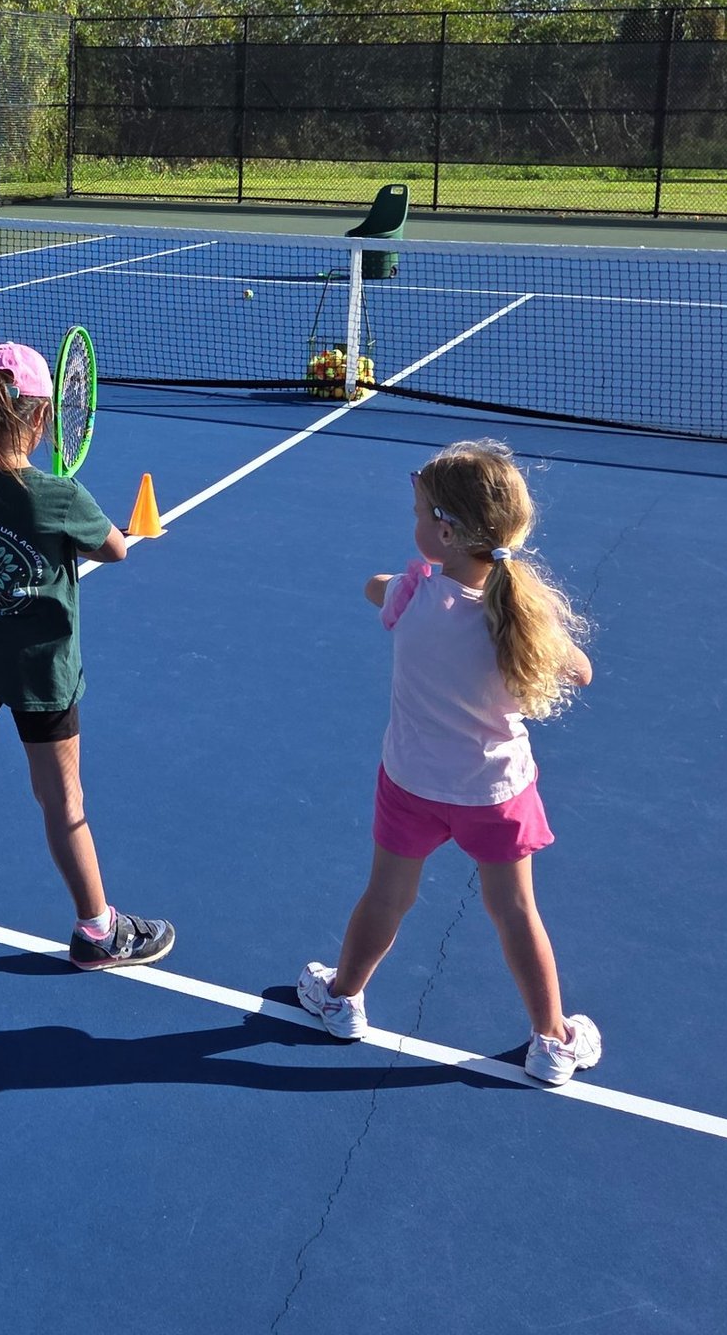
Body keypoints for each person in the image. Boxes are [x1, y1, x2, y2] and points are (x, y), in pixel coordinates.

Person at [295, 440, 600, 1086]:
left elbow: (372, 587)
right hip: (498, 794)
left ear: (445, 530)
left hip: (410, 785)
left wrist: (405, 578)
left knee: (387, 896)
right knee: (516, 912)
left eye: (417, 513)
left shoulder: (412, 594)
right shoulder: (525, 617)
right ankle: (551, 1040)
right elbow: (581, 672)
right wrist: (541, 627)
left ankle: (343, 999)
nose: (413, 523)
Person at [0, 342, 173, 970]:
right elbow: (117, 549)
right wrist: (64, 508)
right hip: (43, 672)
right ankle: (99, 931)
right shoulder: (60, 496)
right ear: (42, 417)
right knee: (62, 801)